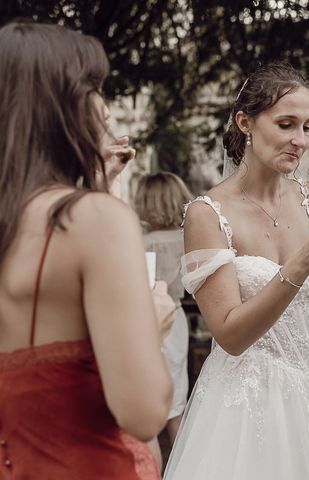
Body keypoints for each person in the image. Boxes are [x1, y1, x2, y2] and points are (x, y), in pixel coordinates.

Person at [164, 63, 309, 479]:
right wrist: (299, 266)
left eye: (308, 127)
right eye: (286, 124)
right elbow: (231, 335)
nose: (300, 141)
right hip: (250, 394)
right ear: (246, 122)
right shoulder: (207, 214)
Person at [0, 22, 174, 479]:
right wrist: (150, 326)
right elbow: (143, 413)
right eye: (94, 88)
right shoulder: (92, 220)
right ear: (57, 106)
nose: (108, 111)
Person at [134, 171, 193, 464]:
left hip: (149, 319)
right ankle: (183, 465)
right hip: (178, 315)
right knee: (176, 399)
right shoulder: (188, 239)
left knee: (147, 394)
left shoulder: (144, 242)